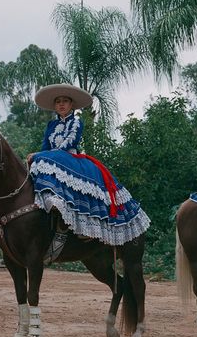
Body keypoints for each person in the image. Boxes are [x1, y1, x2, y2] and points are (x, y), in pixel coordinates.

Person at [27, 83, 150, 245]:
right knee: (36, 161)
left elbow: (68, 144)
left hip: (70, 159)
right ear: (55, 106)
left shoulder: (76, 122)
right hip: (52, 160)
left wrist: (42, 155)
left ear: (72, 105)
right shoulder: (51, 126)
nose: (61, 104)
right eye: (58, 102)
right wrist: (38, 156)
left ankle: (85, 225)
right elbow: (45, 146)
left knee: (43, 159)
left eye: (65, 101)